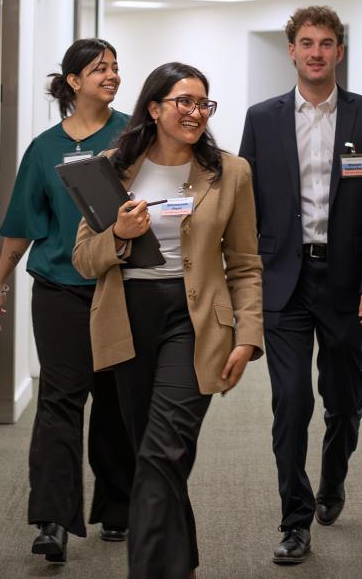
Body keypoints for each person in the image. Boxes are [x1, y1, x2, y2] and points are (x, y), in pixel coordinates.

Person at [73, 62, 264, 579]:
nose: (195, 112)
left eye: (203, 103)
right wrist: (117, 233)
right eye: (183, 102)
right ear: (153, 108)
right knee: (153, 456)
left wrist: (247, 336)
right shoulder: (111, 168)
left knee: (162, 450)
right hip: (128, 318)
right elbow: (84, 259)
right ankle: (182, 565)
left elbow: (245, 263)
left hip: (196, 319)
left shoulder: (231, 172)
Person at [238, 5, 362, 564]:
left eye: (325, 43)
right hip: (284, 279)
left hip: (347, 281)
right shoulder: (262, 118)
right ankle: (294, 519)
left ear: (339, 51)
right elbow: (246, 203)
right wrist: (247, 278)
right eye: (306, 42)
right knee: (290, 400)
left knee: (344, 397)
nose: (315, 52)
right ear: (291, 50)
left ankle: (333, 479)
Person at [0, 38, 134, 563]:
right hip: (59, 291)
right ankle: (52, 520)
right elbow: (24, 223)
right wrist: (0, 281)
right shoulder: (45, 148)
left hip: (121, 289)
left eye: (116, 68)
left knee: (116, 403)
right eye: (100, 69)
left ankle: (118, 508)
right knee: (59, 404)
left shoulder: (134, 136)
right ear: (73, 81)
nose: (112, 75)